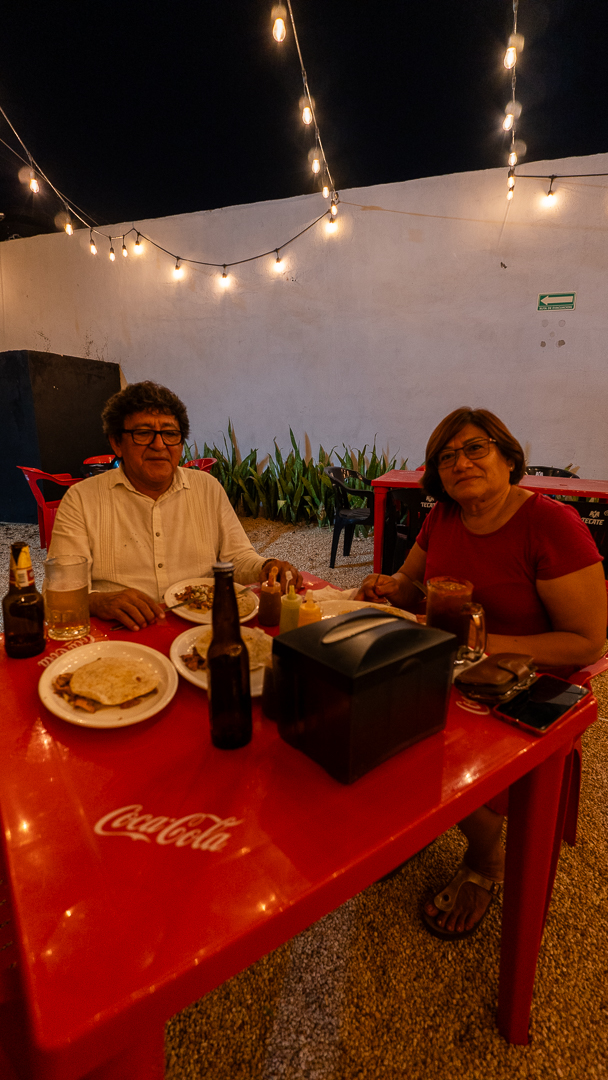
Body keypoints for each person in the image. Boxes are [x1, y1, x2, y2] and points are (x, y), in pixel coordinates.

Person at [356, 406, 606, 940]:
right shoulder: (444, 516)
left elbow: (585, 642)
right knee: (364, 709)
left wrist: (474, 645)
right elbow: (409, 584)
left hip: (531, 682)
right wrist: (388, 588)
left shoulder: (551, 524)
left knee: (440, 746)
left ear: (507, 456)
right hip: (448, 665)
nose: (460, 462)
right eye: (446, 456)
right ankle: (414, 824)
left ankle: (485, 859)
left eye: (475, 447)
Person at [49, 381, 302, 630]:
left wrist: (266, 567)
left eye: (170, 434)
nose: (159, 445)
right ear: (117, 442)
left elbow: (236, 557)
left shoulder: (207, 487)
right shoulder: (81, 499)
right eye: (143, 433)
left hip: (201, 627)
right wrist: (98, 601)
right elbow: (59, 591)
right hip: (118, 635)